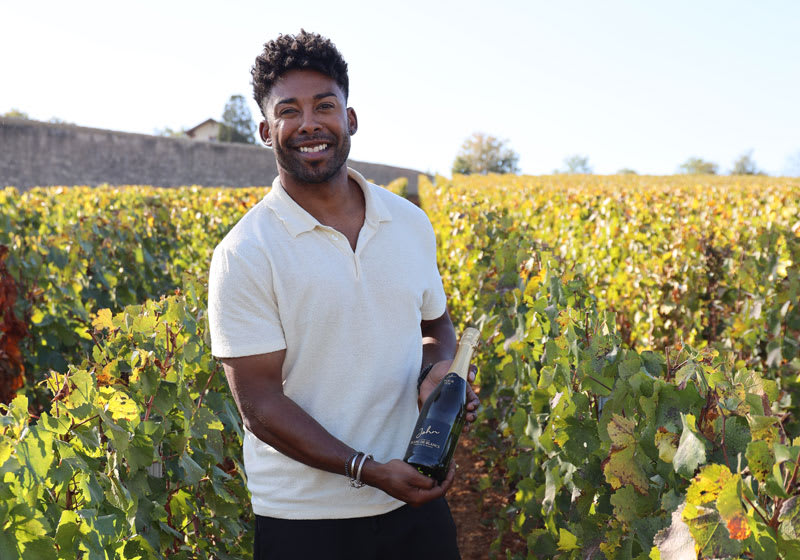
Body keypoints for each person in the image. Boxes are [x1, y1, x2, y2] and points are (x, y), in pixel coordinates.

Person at [207, 30, 479, 559]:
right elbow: (259, 405)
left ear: (349, 119)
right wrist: (368, 470)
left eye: (325, 106)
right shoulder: (245, 252)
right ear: (267, 131)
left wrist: (440, 373)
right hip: (305, 521)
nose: (309, 123)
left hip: (415, 501)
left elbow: (435, 326)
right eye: (290, 111)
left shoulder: (409, 222)